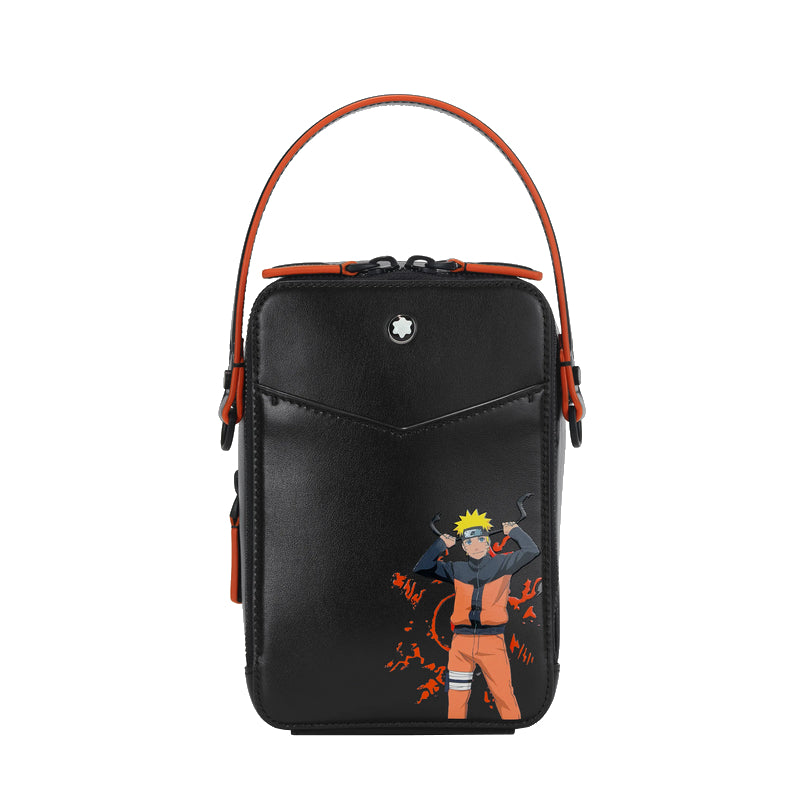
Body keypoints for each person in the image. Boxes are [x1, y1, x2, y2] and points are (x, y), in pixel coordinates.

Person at [413, 509, 540, 719]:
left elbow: (531, 550)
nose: (476, 545)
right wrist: (440, 545)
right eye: (470, 542)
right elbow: (422, 568)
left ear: (488, 542)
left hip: (492, 644)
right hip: (460, 646)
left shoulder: (503, 563)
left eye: (481, 539)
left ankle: (512, 727)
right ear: (463, 546)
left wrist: (515, 531)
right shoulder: (456, 569)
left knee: (503, 694)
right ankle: (455, 733)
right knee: (456, 698)